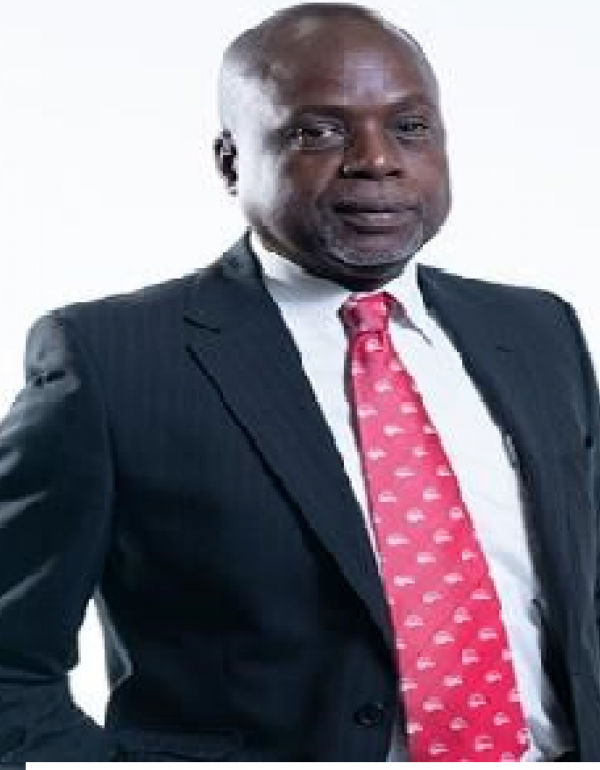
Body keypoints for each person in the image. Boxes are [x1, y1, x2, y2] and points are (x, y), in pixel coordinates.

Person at [0, 2, 598, 762]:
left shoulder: (538, 330)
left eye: (410, 126)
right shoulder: (112, 361)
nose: (376, 160)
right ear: (230, 162)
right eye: (319, 131)